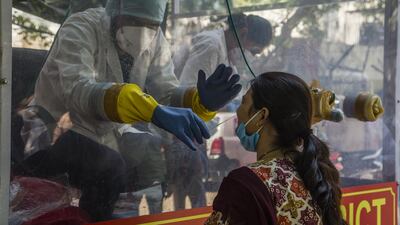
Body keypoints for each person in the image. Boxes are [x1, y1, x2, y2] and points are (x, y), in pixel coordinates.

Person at [15, 0, 242, 221]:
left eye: (151, 25)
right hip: (56, 130)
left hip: (108, 133)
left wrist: (199, 102)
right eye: (134, 20)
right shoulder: (80, 27)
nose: (142, 31)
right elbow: (78, 92)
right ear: (116, 10)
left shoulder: (155, 39)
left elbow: (164, 92)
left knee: (154, 163)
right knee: (110, 167)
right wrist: (151, 110)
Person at [204, 72, 345, 225]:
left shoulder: (245, 184)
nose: (238, 111)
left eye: (243, 103)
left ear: (261, 116)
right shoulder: (314, 174)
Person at [176, 13, 273, 87]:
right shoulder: (211, 45)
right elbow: (189, 86)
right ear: (243, 33)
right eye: (254, 50)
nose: (252, 55)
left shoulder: (228, 49)